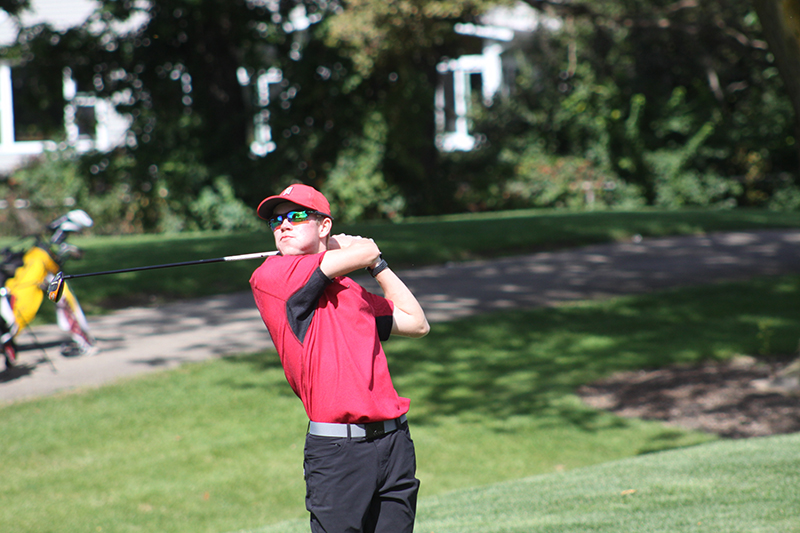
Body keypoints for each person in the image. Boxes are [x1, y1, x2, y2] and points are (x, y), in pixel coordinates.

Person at [249, 184, 430, 533]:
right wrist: (359, 249)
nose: (283, 225)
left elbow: (416, 322)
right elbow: (362, 250)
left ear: (323, 225)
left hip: (394, 444)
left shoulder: (351, 291)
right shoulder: (272, 277)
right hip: (338, 452)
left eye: (296, 215)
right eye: (276, 221)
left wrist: (378, 265)